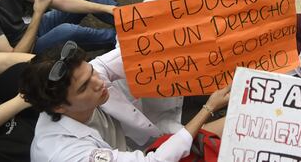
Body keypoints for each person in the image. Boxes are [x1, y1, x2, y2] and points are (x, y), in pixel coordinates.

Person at [20, 41, 230, 162]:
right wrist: (209, 107)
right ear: (58, 106)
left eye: (92, 71)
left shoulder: (86, 82)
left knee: (198, 138)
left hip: (143, 149)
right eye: (84, 86)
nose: (98, 82)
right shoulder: (65, 153)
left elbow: (143, 50)